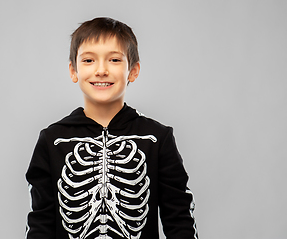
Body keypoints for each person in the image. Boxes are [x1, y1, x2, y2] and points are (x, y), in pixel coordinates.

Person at [25, 17, 198, 239]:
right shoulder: (52, 140)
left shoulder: (157, 138)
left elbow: (180, 221)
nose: (101, 70)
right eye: (88, 61)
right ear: (73, 71)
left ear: (133, 71)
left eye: (114, 60)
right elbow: (40, 222)